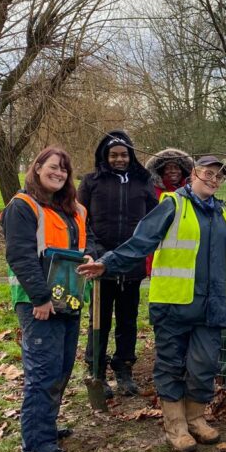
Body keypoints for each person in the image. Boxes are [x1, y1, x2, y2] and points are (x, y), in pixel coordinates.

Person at [78, 156, 226, 452]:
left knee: (205, 365)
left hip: (211, 304)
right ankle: (176, 425)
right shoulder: (173, 204)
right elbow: (140, 242)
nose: (213, 179)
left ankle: (196, 418)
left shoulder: (223, 212)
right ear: (194, 174)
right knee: (171, 364)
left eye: (219, 176)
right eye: (208, 173)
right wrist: (108, 264)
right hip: (173, 303)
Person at [3, 146, 97, 452]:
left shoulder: (75, 210)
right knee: (43, 370)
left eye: (64, 170)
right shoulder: (24, 206)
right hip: (38, 303)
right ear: (38, 166)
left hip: (69, 298)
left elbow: (90, 240)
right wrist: (39, 298)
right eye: (52, 167)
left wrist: (92, 254)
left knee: (61, 367)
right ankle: (36, 441)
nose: (58, 173)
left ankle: (47, 425)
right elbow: (20, 255)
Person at [78, 130, 156, 398]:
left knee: (128, 319)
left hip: (132, 263)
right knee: (99, 320)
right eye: (114, 155)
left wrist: (141, 251)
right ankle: (96, 370)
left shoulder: (142, 182)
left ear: (131, 155)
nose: (119, 159)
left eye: (124, 154)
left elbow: (152, 221)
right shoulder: (91, 182)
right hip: (99, 262)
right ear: (105, 156)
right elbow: (80, 221)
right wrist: (93, 251)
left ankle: (124, 368)